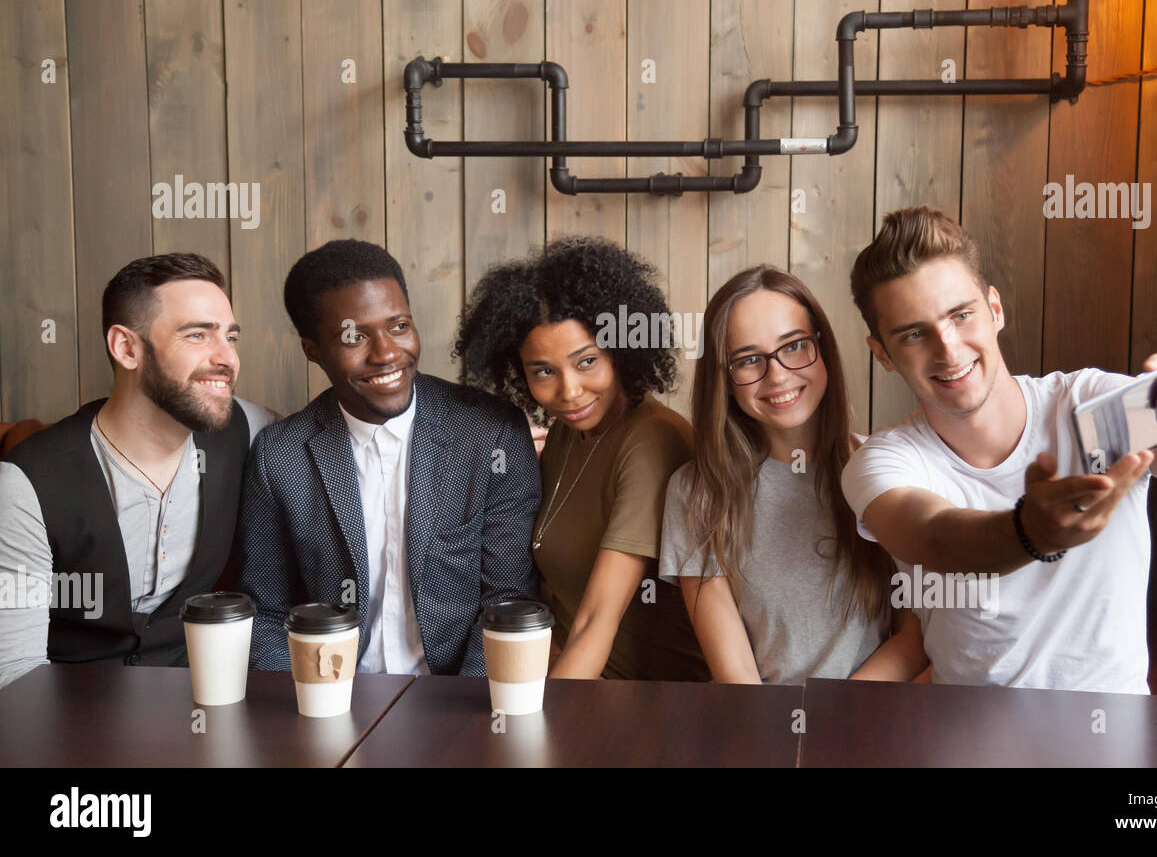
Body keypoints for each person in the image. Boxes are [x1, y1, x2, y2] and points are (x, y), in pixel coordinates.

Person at [841, 206, 1157, 693]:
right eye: (914, 334)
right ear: (882, 354)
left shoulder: (1096, 411)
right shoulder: (886, 460)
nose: (949, 349)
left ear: (994, 310)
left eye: (961, 315)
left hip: (1115, 739)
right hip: (968, 736)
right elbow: (935, 538)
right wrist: (1030, 531)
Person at [236, 240, 540, 676]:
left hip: (456, 700)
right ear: (313, 350)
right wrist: (321, 703)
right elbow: (264, 613)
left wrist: (462, 715)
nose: (387, 354)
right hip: (332, 698)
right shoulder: (280, 456)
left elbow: (508, 600)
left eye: (398, 326)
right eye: (354, 336)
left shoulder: (490, 433)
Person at [0, 254, 274, 689]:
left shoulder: (247, 429)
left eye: (231, 337)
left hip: (198, 708)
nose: (227, 358)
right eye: (198, 334)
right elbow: (14, 678)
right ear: (127, 348)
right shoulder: (25, 484)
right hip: (70, 724)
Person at [455, 237, 709, 681]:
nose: (568, 392)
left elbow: (596, 621)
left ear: (622, 351)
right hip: (566, 677)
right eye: (544, 372)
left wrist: (538, 736)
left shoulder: (650, 442)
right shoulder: (568, 433)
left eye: (586, 361)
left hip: (643, 702)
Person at [657, 266, 926, 684]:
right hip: (756, 727)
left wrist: (835, 718)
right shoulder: (697, 492)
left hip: (869, 715)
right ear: (724, 380)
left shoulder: (886, 469)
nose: (778, 374)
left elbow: (914, 635)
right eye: (748, 360)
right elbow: (736, 674)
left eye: (795, 346)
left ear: (822, 348)